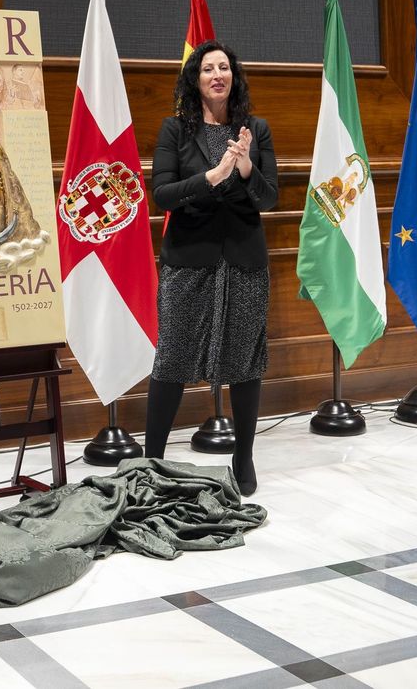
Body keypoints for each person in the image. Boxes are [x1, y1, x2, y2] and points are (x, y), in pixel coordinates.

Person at [145, 40, 279, 496]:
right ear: (195, 80)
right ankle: (152, 462)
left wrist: (243, 169)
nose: (217, 75)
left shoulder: (254, 130)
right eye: (207, 69)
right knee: (174, 358)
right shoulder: (174, 131)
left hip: (244, 260)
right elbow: (160, 195)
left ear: (234, 78)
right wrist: (211, 177)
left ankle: (243, 458)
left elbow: (269, 198)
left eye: (224, 68)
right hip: (189, 260)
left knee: (244, 360)